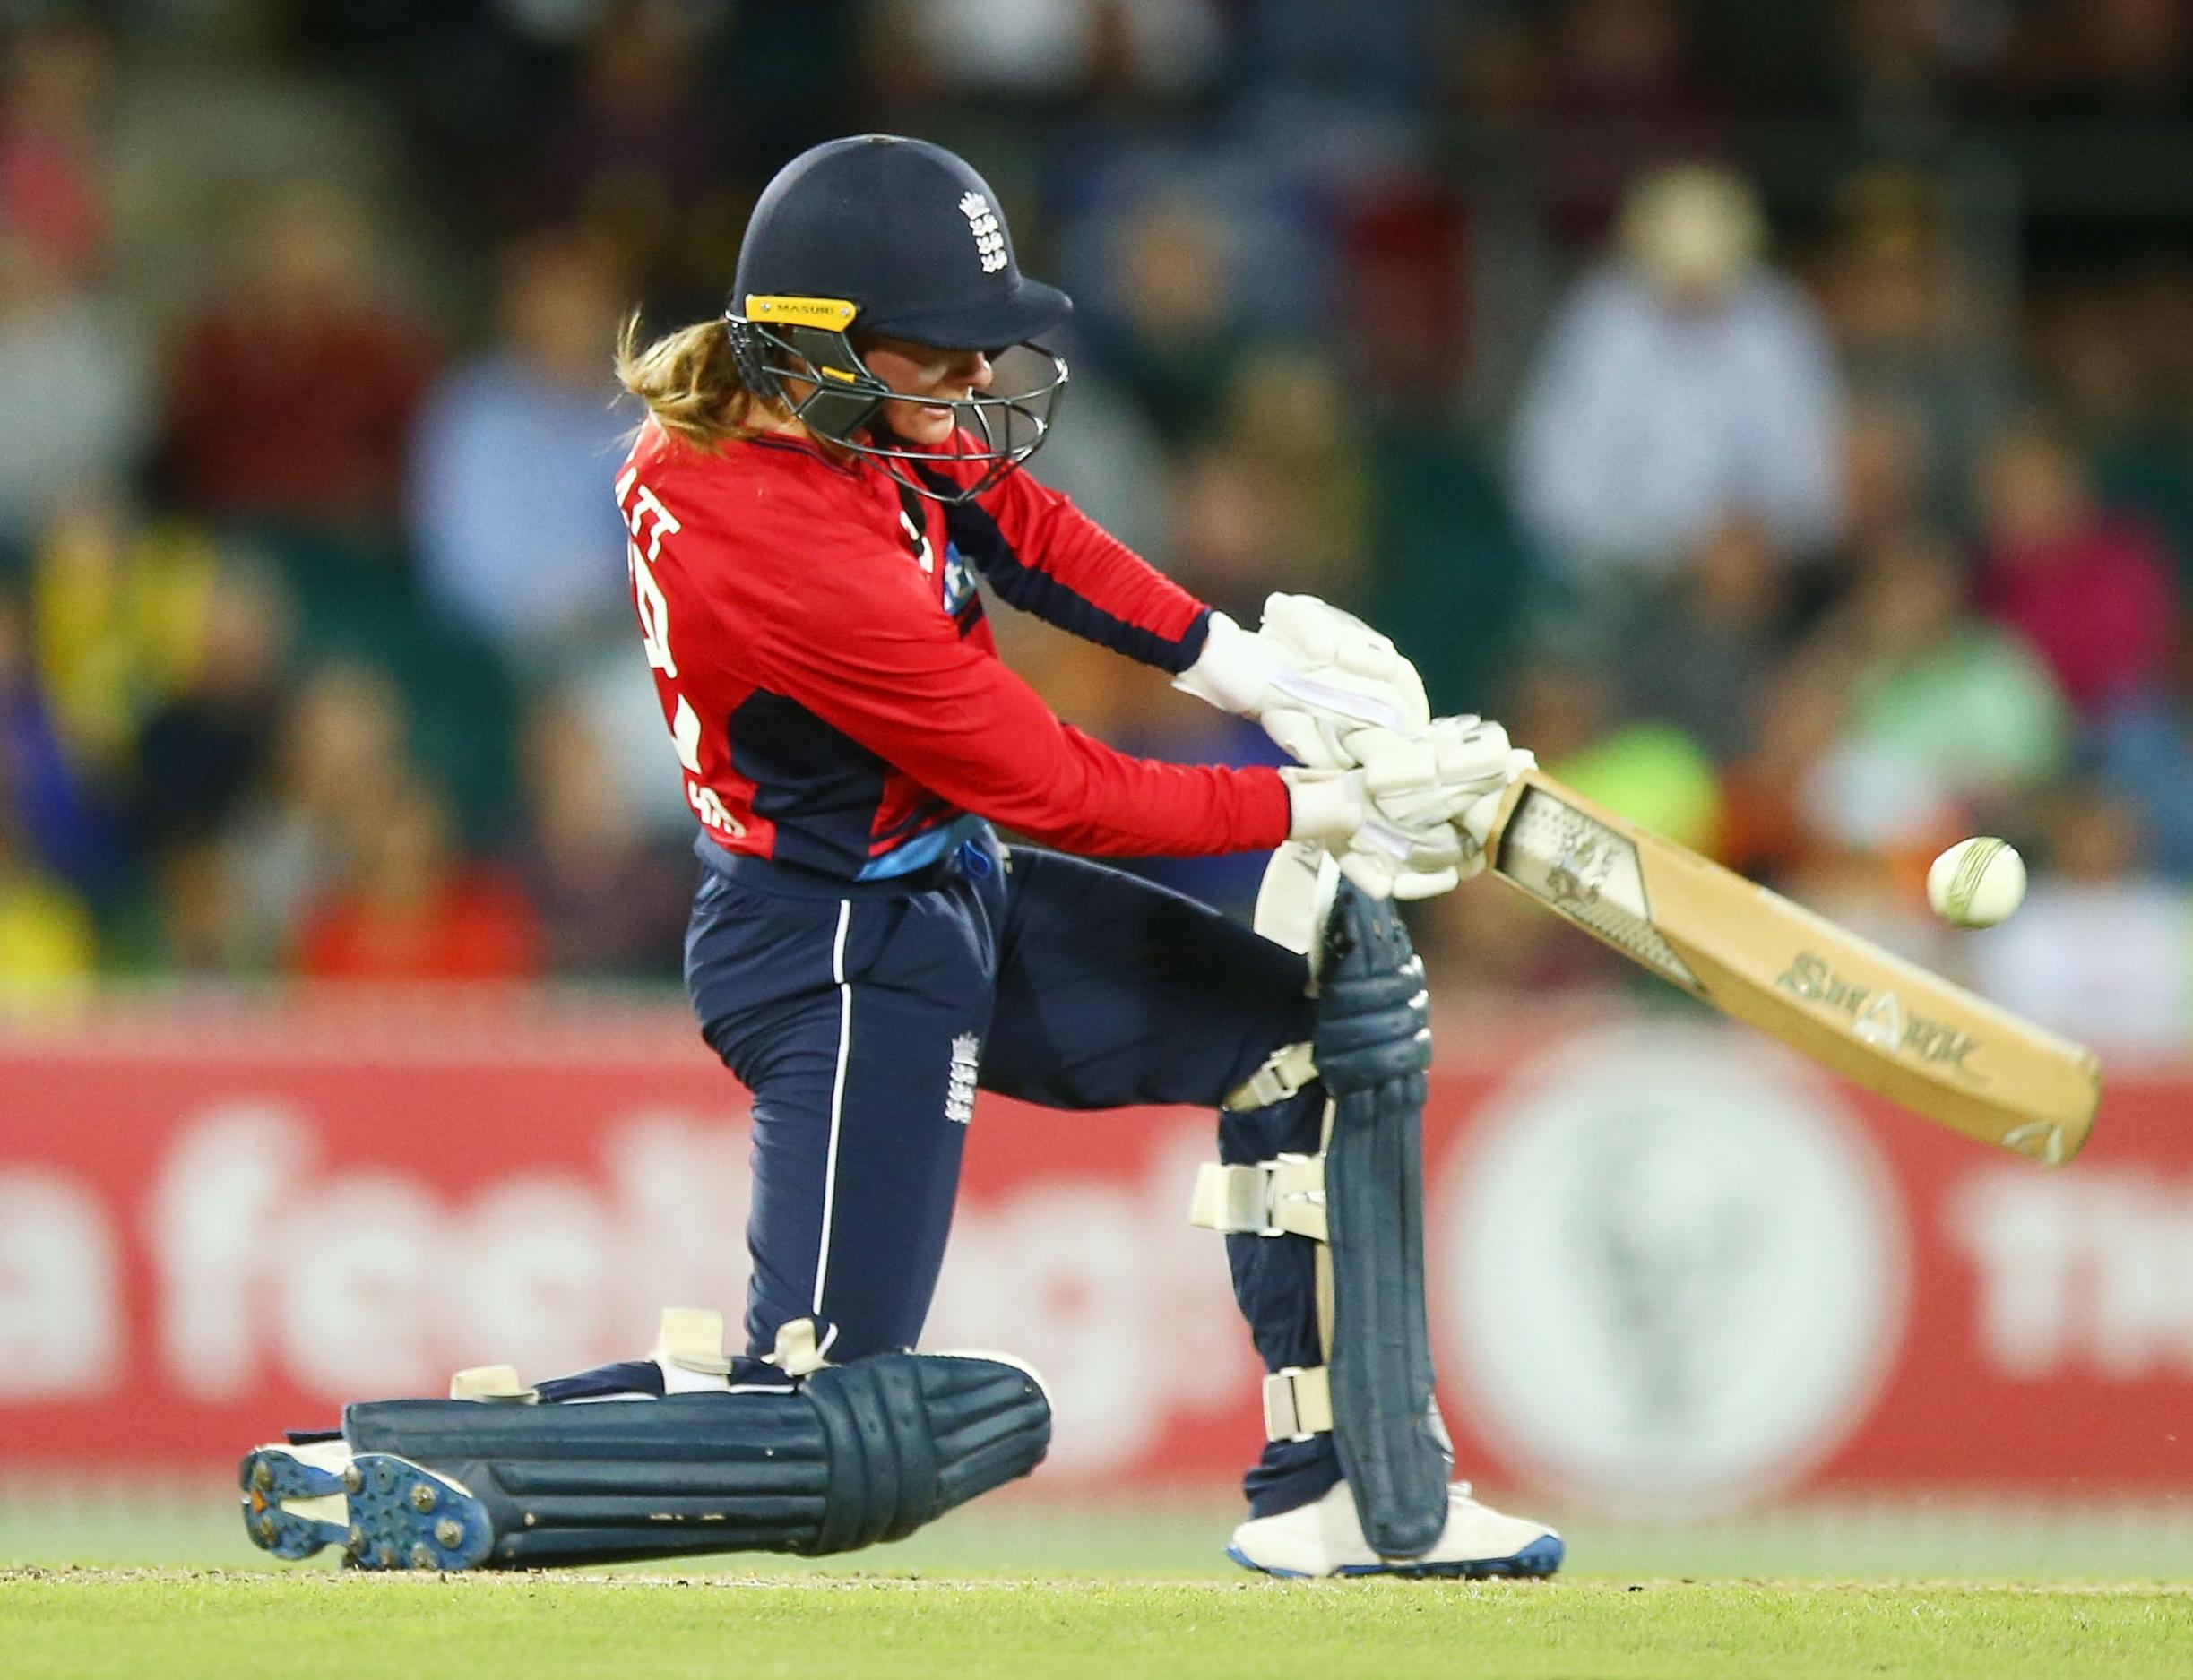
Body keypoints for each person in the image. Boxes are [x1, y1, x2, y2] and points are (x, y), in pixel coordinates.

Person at [236, 135, 1555, 1581]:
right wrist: (1324, 808)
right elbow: (1055, 785)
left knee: (1300, 1043)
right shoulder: (777, 541)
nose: (978, 385)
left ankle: (1341, 1492)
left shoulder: (828, 424)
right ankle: (397, 1466)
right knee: (827, 1417)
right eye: (942, 357)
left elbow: (1017, 522)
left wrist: (1245, 673)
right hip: (842, 950)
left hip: (939, 885)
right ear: (819, 353)